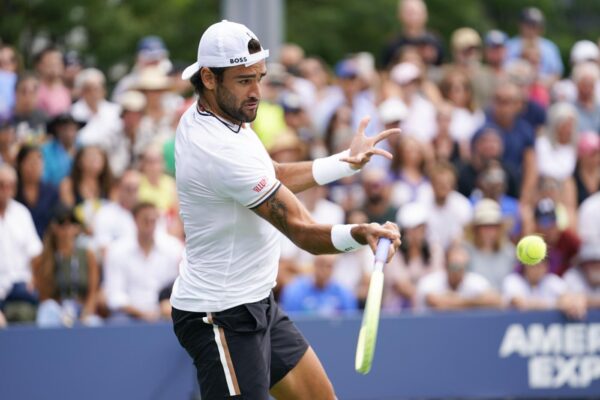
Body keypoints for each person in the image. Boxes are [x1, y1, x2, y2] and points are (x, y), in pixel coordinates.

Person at [170, 20, 401, 400]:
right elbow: (301, 230)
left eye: (259, 77)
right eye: (244, 80)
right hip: (219, 317)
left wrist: (346, 161)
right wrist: (361, 233)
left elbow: (271, 174)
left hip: (257, 301)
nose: (257, 92)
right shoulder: (217, 149)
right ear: (209, 78)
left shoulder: (223, 115)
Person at [104, 202, 182, 322]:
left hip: (166, 314)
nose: (150, 225)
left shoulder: (174, 248)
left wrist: (166, 306)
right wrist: (140, 313)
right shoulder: (117, 251)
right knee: (118, 320)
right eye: (146, 220)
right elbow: (115, 296)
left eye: (153, 220)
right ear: (135, 220)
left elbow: (179, 285)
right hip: (128, 316)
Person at [33, 206, 100, 327]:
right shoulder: (42, 259)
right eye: (62, 223)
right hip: (57, 311)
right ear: (54, 227)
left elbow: (93, 292)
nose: (68, 228)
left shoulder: (88, 255)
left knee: (94, 323)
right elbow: (44, 296)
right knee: (47, 310)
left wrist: (86, 312)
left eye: (72, 223)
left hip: (82, 310)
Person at [0, 164, 42, 322]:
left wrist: (34, 280)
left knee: (27, 312)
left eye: (10, 185)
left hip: (20, 285)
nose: (5, 190)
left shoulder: (22, 213)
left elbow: (36, 253)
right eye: (1, 185)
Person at [415, 243, 502, 312]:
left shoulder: (475, 281)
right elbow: (438, 303)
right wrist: (476, 301)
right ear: (445, 265)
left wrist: (456, 300)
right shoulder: (429, 282)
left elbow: (496, 300)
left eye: (461, 267)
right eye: (454, 266)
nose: (457, 272)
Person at [502, 258, 585, 319]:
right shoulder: (513, 280)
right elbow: (520, 303)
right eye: (533, 265)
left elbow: (569, 298)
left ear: (546, 266)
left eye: (541, 265)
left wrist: (571, 303)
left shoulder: (552, 280)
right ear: (525, 265)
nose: (537, 269)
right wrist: (557, 304)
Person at [280, 254, 358, 316]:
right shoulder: (294, 291)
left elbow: (349, 322)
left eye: (329, 266)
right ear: (314, 264)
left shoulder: (344, 293)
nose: (324, 270)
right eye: (321, 264)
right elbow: (290, 321)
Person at [464, 199, 515, 290]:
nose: (489, 231)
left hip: (503, 302)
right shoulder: (465, 251)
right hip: (473, 302)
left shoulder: (509, 252)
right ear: (475, 229)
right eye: (484, 226)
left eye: (493, 226)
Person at [505, 7, 563, 85]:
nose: (531, 28)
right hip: (514, 85)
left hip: (543, 87)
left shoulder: (550, 47)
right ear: (521, 25)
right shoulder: (510, 45)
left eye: (535, 25)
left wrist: (542, 84)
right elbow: (503, 70)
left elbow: (557, 74)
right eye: (528, 24)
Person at [92, 169, 141, 258]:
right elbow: (104, 249)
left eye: (136, 189)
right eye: (128, 189)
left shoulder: (147, 214)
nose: (132, 194)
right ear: (118, 189)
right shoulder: (105, 213)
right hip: (118, 266)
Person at [15, 144, 60, 238]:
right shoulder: (12, 190)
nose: (35, 166)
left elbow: (56, 220)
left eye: (38, 161)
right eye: (30, 161)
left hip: (45, 243)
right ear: (20, 164)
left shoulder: (51, 191)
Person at [426, 161, 472, 249]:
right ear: (432, 184)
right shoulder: (422, 204)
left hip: (456, 250)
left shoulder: (462, 205)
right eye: (439, 183)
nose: (443, 187)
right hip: (428, 252)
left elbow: (468, 234)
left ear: (453, 184)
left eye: (447, 183)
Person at [41, 112, 82, 186]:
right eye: (64, 129)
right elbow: (44, 179)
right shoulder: (45, 151)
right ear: (57, 130)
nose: (69, 134)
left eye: (72, 129)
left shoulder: (82, 148)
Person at [34, 46, 71, 117]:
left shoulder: (65, 91)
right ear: (39, 65)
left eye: (57, 62)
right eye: (50, 63)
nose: (54, 66)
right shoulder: (33, 90)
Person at [563, 241, 600, 310]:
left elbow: (582, 300)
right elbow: (568, 301)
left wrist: (586, 301)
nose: (597, 266)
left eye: (598, 262)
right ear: (583, 264)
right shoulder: (572, 276)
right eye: (592, 262)